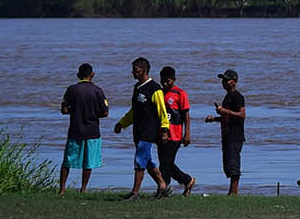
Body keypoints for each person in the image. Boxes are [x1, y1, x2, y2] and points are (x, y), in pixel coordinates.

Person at [113, 56, 170, 199]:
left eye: (136, 70)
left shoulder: (155, 88)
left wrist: (164, 130)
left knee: (139, 161)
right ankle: (162, 185)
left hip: (149, 131)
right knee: (147, 160)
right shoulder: (137, 88)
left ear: (144, 70)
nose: (133, 73)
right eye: (133, 70)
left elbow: (162, 111)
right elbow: (134, 111)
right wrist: (122, 123)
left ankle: (135, 193)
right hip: (138, 130)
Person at [58, 63, 107, 195]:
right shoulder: (98, 91)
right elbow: (105, 113)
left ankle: (62, 189)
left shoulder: (72, 90)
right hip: (92, 132)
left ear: (78, 75)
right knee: (88, 163)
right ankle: (83, 188)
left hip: (75, 130)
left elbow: (64, 109)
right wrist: (93, 114)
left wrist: (75, 111)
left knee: (67, 161)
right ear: (92, 75)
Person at [204, 68, 247, 195]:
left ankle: (234, 192)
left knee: (233, 164)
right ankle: (231, 192)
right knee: (228, 164)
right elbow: (228, 117)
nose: (223, 82)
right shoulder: (227, 97)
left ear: (234, 82)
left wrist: (224, 111)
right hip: (227, 135)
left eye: (226, 80)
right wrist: (215, 118)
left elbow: (242, 115)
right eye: (223, 80)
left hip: (235, 135)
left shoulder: (237, 96)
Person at [157, 65, 196, 195]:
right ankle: (187, 180)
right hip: (161, 133)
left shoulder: (180, 94)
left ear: (173, 79)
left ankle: (164, 189)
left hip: (175, 134)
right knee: (165, 163)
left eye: (168, 81)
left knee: (165, 164)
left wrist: (187, 134)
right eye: (163, 80)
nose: (165, 83)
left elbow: (186, 115)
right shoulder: (159, 93)